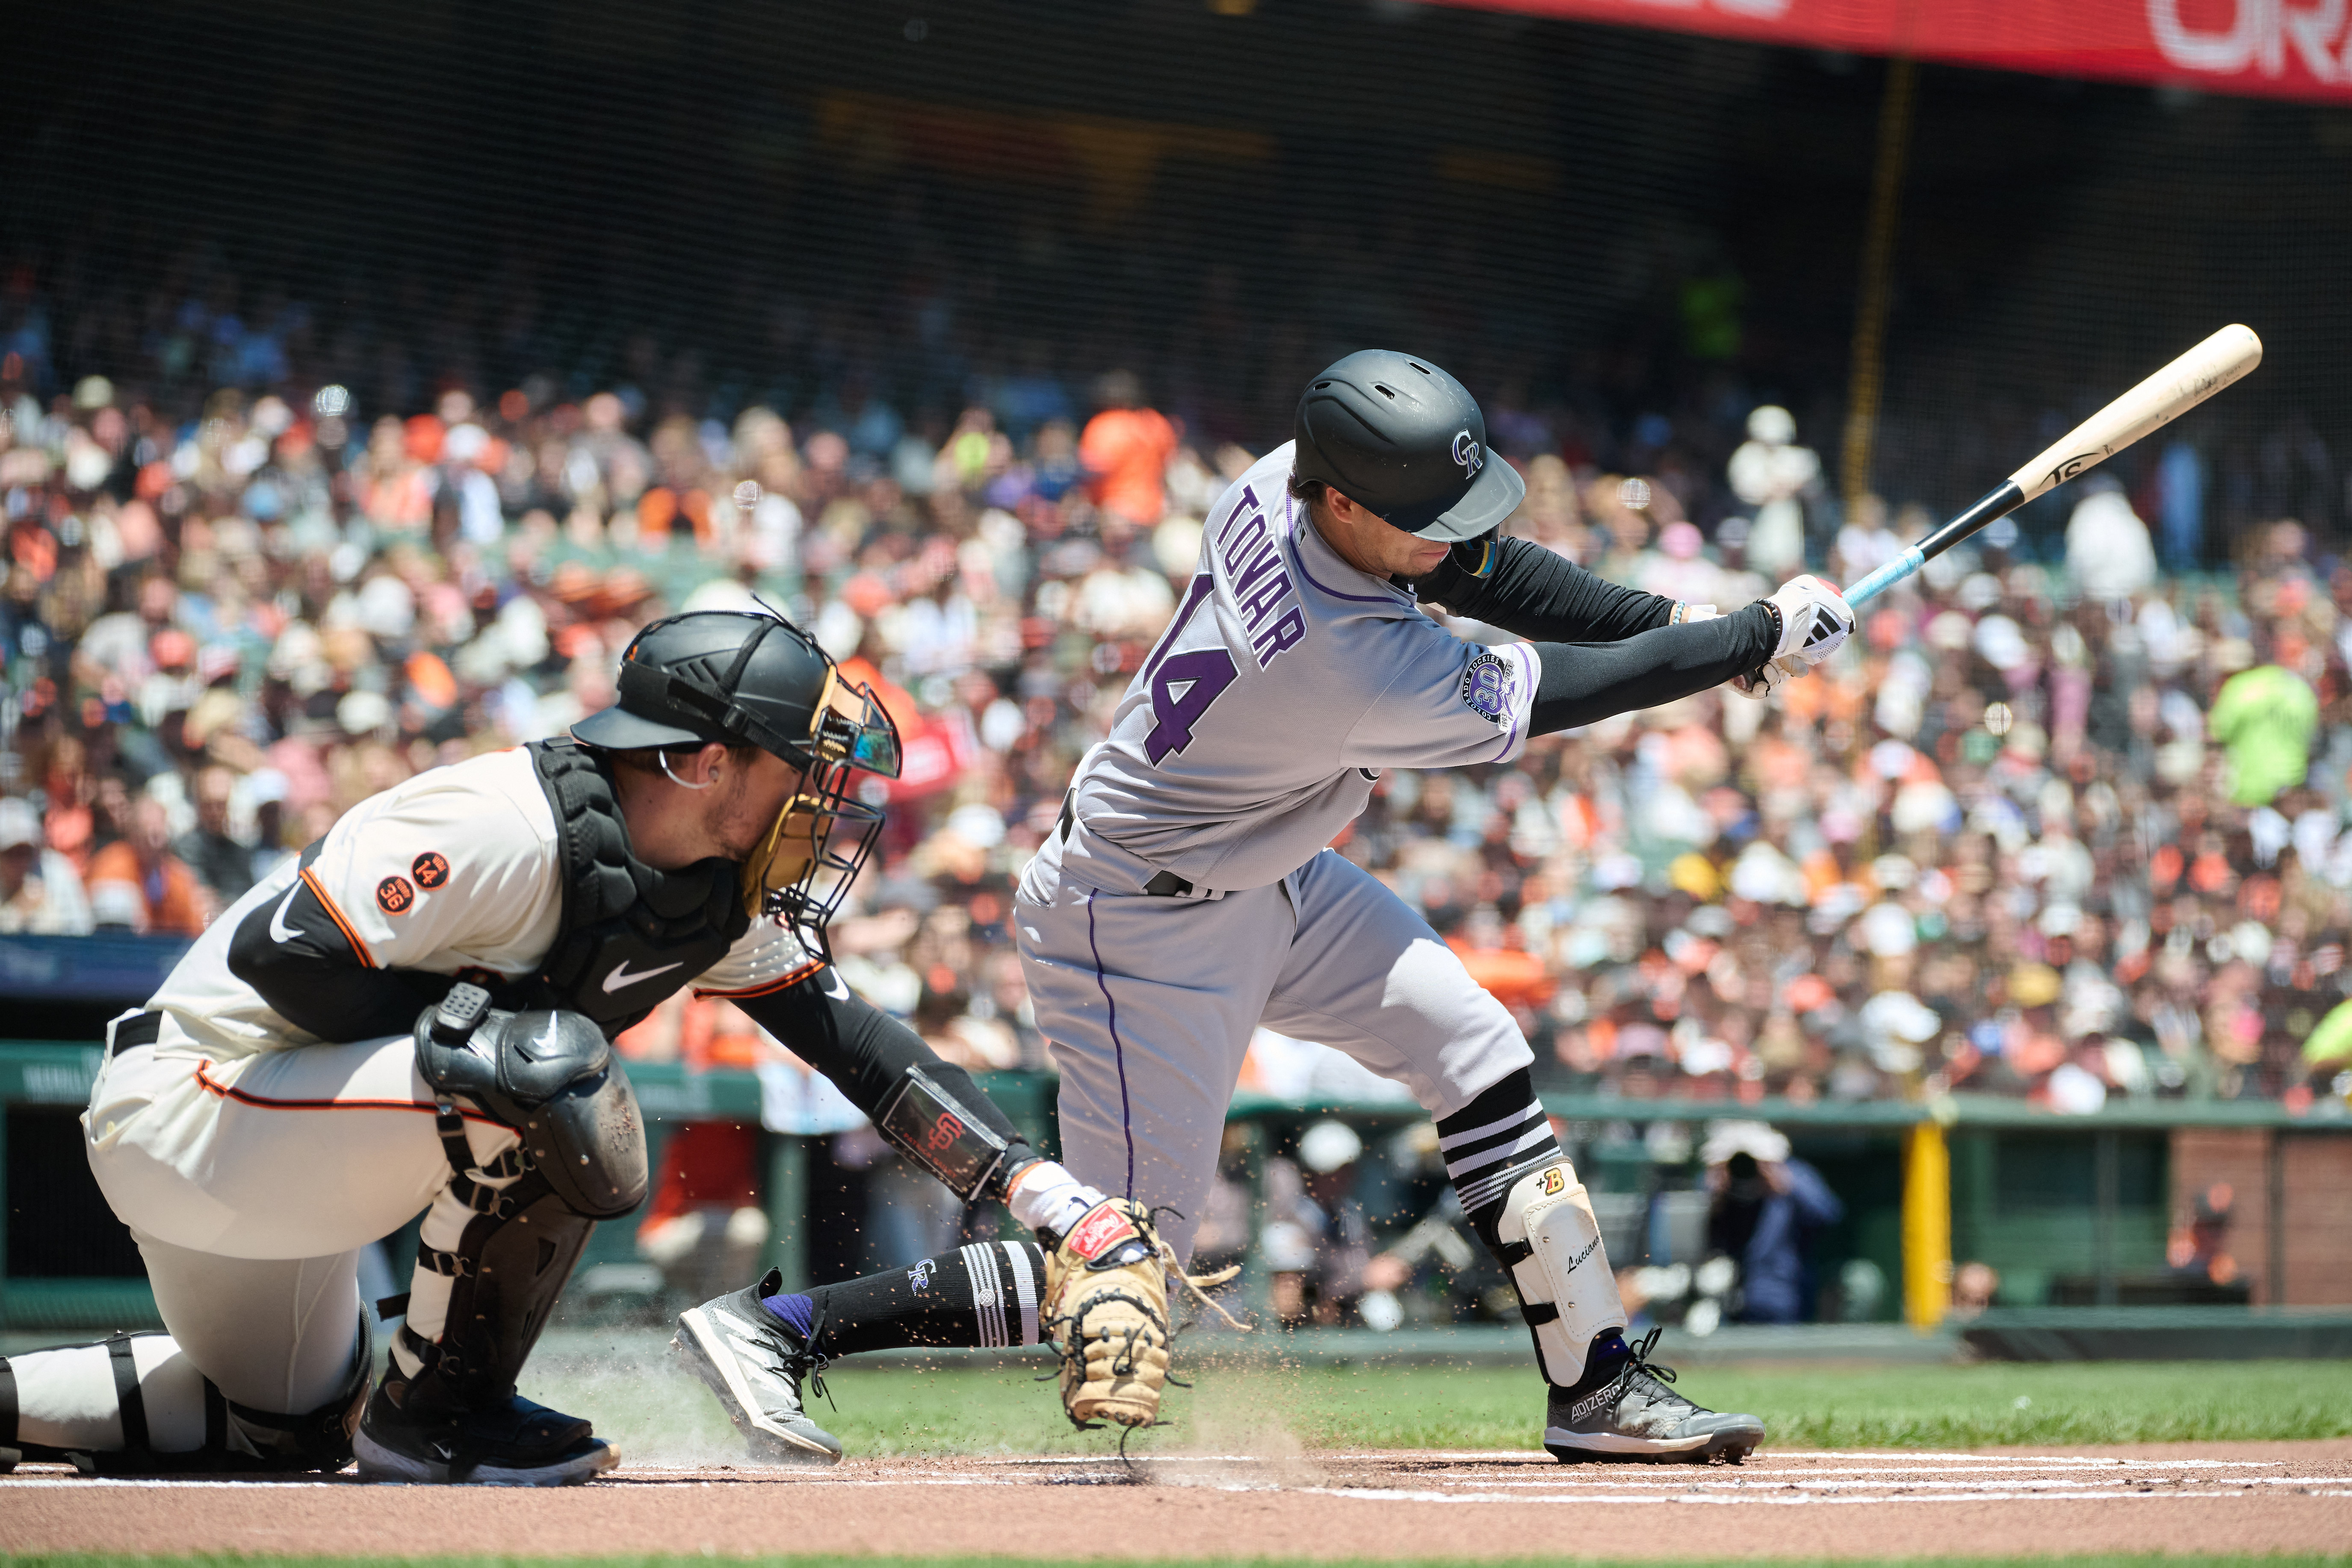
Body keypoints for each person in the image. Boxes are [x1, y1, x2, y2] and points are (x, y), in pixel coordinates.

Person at [0, 610, 1115, 1484]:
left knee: (285, 1427)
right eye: (796, 763)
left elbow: (860, 1048)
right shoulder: (502, 818)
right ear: (705, 762)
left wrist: (1049, 1197)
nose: (822, 796)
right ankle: (443, 1419)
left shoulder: (709, 895)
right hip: (188, 1106)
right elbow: (282, 955)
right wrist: (479, 1040)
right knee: (545, 1065)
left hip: (282, 1175)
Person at [1015, 351, 1855, 1462]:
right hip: (1137, 923)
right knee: (1123, 1271)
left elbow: (1485, 574)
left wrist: (1691, 619)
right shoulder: (1343, 658)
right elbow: (1567, 689)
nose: (1448, 532)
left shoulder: (1281, 482)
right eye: (1424, 513)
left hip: (1263, 868)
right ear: (1348, 499)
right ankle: (788, 1327)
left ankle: (1595, 1388)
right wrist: (1744, 638)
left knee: (1474, 1047)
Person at [1699, 1121, 1843, 1324]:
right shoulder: (1716, 1181)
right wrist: (1714, 1193)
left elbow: (1828, 1213)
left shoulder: (1792, 1175)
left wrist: (1787, 1184)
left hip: (1783, 1294)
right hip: (1723, 1295)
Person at [83, 793, 212, 937]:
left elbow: (197, 931)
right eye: (145, 827)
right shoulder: (111, 865)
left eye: (159, 826)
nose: (153, 835)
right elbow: (108, 931)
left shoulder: (180, 877)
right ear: (131, 831)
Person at [0, 794, 94, 935]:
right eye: (11, 853)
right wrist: (16, 912)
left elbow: (81, 930)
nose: (21, 861)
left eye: (26, 852)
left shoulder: (58, 870)